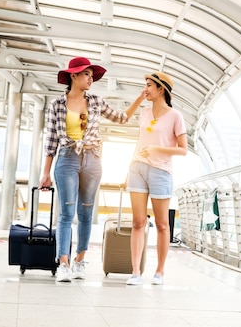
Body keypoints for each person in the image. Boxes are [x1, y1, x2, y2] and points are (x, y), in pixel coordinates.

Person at [40, 57, 144, 283]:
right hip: (66, 159)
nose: (90, 78)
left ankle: (80, 261)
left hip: (93, 160)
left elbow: (122, 118)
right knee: (66, 214)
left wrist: (139, 98)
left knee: (85, 213)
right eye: (86, 74)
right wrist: (46, 172)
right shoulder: (57, 105)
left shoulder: (96, 101)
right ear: (73, 76)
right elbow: (50, 141)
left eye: (91, 75)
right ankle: (64, 264)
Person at [125, 71, 187, 286]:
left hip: (161, 172)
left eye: (149, 85)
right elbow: (139, 140)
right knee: (137, 222)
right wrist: (128, 169)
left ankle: (159, 271)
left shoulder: (175, 116)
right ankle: (135, 272)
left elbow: (183, 150)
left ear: (161, 89)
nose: (145, 88)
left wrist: (156, 148)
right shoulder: (144, 112)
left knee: (161, 224)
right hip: (138, 169)